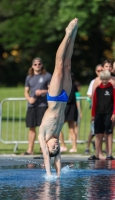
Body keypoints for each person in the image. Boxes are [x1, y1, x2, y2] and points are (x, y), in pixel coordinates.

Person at [38, 18, 78, 177]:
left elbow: (48, 158)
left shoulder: (43, 136)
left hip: (54, 98)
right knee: (68, 65)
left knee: (59, 65)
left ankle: (67, 33)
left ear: (46, 146)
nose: (55, 146)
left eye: (52, 147)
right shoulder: (56, 136)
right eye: (57, 148)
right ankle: (73, 34)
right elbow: (58, 159)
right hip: (65, 98)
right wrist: (59, 176)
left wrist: (49, 175)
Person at [24, 57, 51, 155]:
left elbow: (51, 90)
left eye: (39, 64)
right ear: (32, 66)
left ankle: (43, 149)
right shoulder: (29, 77)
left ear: (42, 65)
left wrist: (43, 91)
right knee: (31, 127)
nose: (37, 66)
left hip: (42, 104)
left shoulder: (47, 76)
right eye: (35, 64)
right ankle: (30, 149)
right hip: (32, 105)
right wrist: (29, 99)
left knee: (42, 128)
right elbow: (26, 91)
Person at [89, 70, 115, 160]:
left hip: (108, 113)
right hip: (98, 113)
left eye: (106, 79)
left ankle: (109, 153)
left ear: (109, 79)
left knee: (108, 133)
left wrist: (114, 113)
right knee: (98, 134)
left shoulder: (112, 89)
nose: (105, 81)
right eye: (103, 79)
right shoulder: (97, 89)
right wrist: (93, 115)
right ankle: (98, 154)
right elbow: (94, 103)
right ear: (101, 79)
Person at [84, 64, 103, 154]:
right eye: (98, 71)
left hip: (104, 108)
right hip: (96, 107)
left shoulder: (107, 81)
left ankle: (100, 148)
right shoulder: (94, 81)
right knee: (93, 130)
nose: (100, 72)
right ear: (96, 72)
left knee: (103, 130)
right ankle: (87, 147)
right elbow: (89, 94)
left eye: (101, 71)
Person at [60, 73, 78, 153]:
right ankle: (73, 147)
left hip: (66, 108)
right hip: (72, 109)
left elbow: (68, 99)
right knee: (71, 129)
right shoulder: (73, 86)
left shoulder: (66, 87)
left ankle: (64, 145)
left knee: (58, 128)